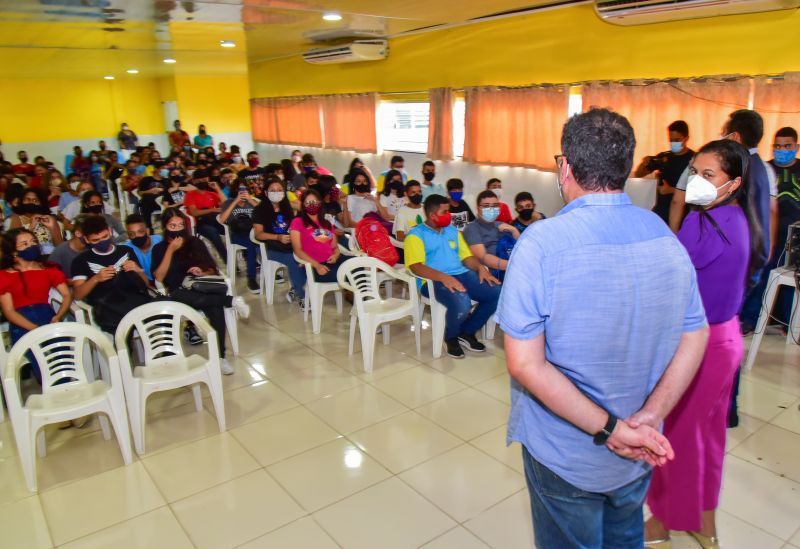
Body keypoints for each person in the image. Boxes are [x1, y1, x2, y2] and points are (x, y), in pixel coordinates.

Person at [497, 108, 709, 549]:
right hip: (639, 447)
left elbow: (524, 363)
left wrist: (612, 430)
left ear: (565, 168)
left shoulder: (541, 244)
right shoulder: (663, 235)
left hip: (566, 453)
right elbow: (697, 333)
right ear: (626, 167)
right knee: (624, 536)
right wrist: (648, 417)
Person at [645, 139, 761, 549]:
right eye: (694, 171)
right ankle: (704, 523)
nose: (696, 180)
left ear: (733, 183)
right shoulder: (735, 218)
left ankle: (663, 522)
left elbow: (668, 276)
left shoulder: (704, 224)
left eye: (708, 174)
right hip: (725, 339)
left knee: (675, 434)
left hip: (701, 344)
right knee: (708, 435)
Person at [152, 209, 249, 375]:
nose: (177, 229)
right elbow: (159, 276)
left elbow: (212, 269)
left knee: (215, 308)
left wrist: (201, 272)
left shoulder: (195, 243)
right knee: (185, 296)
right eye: (172, 225)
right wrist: (171, 250)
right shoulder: (160, 248)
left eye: (180, 225)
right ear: (165, 227)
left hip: (199, 286)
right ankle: (230, 301)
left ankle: (220, 357)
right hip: (176, 292)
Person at [405, 194, 501, 358]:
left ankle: (467, 332)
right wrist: (443, 277)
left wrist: (480, 267)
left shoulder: (452, 231)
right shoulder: (415, 235)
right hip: (433, 281)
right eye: (445, 211)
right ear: (432, 215)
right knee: (462, 302)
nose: (450, 215)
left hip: (461, 274)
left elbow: (466, 257)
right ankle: (451, 337)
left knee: (497, 292)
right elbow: (416, 267)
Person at [0, 229, 71, 382]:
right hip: (22, 322)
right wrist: (34, 329)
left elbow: (66, 295)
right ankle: (53, 388)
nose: (30, 246)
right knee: (41, 358)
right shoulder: (4, 276)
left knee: (61, 355)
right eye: (24, 244)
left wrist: (58, 316)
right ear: (13, 252)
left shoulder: (48, 270)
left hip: (47, 316)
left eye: (33, 242)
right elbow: (9, 311)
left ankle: (66, 386)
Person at [71, 215, 152, 334]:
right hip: (108, 307)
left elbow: (146, 284)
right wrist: (96, 279)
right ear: (86, 240)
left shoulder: (125, 251)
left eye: (105, 237)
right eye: (95, 240)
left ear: (110, 231)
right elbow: (77, 295)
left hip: (134, 300)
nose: (102, 242)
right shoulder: (81, 260)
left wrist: (138, 270)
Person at [764, 127, 800, 325]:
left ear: (796, 146)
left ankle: (788, 323)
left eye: (787, 146)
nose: (782, 150)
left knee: (792, 281)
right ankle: (755, 320)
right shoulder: (764, 169)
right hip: (769, 235)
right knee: (762, 279)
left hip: (795, 238)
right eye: (777, 146)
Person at [253, 179, 307, 308]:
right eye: (272, 190)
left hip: (290, 245)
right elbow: (258, 234)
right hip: (271, 248)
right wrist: (277, 237)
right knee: (294, 259)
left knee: (308, 256)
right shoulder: (260, 210)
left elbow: (300, 213)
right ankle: (303, 296)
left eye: (279, 190)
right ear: (266, 193)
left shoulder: (286, 206)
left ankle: (295, 287)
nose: (276, 193)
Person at [633, 120, 694, 224]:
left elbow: (699, 192)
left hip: (683, 213)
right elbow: (639, 174)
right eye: (671, 140)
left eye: (677, 140)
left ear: (686, 138)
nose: (673, 143)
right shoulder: (664, 157)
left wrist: (671, 190)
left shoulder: (695, 159)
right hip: (662, 211)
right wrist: (644, 163)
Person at [290, 189, 345, 283]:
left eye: (315, 202)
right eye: (308, 203)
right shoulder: (297, 222)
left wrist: (335, 256)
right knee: (349, 274)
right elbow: (297, 250)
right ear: (303, 205)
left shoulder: (327, 223)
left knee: (358, 265)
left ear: (320, 203)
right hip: (314, 267)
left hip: (332, 262)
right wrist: (317, 266)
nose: (312, 205)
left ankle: (359, 296)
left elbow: (335, 248)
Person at [464, 190, 520, 276]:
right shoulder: (472, 228)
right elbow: (483, 257)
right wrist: (514, 265)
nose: (491, 209)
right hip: (495, 272)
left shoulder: (501, 225)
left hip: (513, 267)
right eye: (486, 206)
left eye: (495, 206)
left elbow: (520, 246)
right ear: (478, 208)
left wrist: (514, 230)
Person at [220, 178, 261, 293]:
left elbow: (264, 213)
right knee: (251, 244)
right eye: (240, 189)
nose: (242, 192)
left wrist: (250, 200)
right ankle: (251, 279)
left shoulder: (252, 202)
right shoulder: (228, 202)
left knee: (263, 241)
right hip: (238, 234)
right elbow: (222, 219)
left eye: (245, 189)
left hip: (253, 231)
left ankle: (269, 269)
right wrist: (235, 201)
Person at [183, 169, 227, 259]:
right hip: (200, 224)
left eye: (205, 179)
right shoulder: (190, 195)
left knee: (231, 228)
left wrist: (217, 188)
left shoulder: (212, 194)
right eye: (200, 180)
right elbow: (194, 212)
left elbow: (226, 205)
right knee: (213, 233)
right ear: (194, 181)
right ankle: (228, 260)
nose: (203, 182)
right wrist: (212, 210)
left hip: (216, 221)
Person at [7, 188, 63, 255]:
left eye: (35, 200)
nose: (31, 202)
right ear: (21, 201)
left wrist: (52, 227)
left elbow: (60, 247)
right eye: (27, 199)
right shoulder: (16, 218)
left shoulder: (48, 219)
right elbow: (13, 244)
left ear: (41, 203)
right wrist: (31, 227)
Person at [123, 214, 163, 281]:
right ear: (128, 235)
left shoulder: (159, 241)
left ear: (147, 231)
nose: (136, 236)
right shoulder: (126, 249)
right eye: (132, 234)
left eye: (140, 232)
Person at [49, 214, 89, 279]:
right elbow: (52, 277)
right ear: (78, 233)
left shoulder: (93, 248)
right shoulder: (60, 251)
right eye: (90, 232)